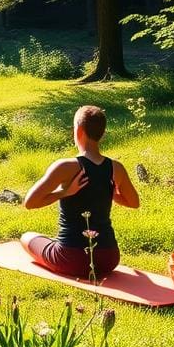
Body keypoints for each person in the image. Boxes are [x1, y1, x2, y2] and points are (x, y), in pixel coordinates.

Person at [21, 105, 139, 279]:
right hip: (109, 258)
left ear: (79, 131)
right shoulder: (116, 168)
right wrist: (109, 191)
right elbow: (134, 203)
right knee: (49, 240)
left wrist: (64, 192)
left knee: (27, 237)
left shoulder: (65, 166)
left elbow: (29, 203)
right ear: (102, 134)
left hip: (71, 258)